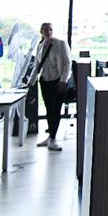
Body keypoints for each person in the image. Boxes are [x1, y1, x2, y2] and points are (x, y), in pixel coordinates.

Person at [28, 22, 72, 151]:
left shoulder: (61, 44)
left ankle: (53, 138)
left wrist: (64, 80)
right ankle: (50, 136)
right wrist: (31, 81)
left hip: (58, 81)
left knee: (56, 110)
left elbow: (67, 63)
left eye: (50, 29)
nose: (48, 32)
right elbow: (37, 64)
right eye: (46, 30)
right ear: (41, 32)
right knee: (48, 109)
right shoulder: (40, 46)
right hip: (45, 81)